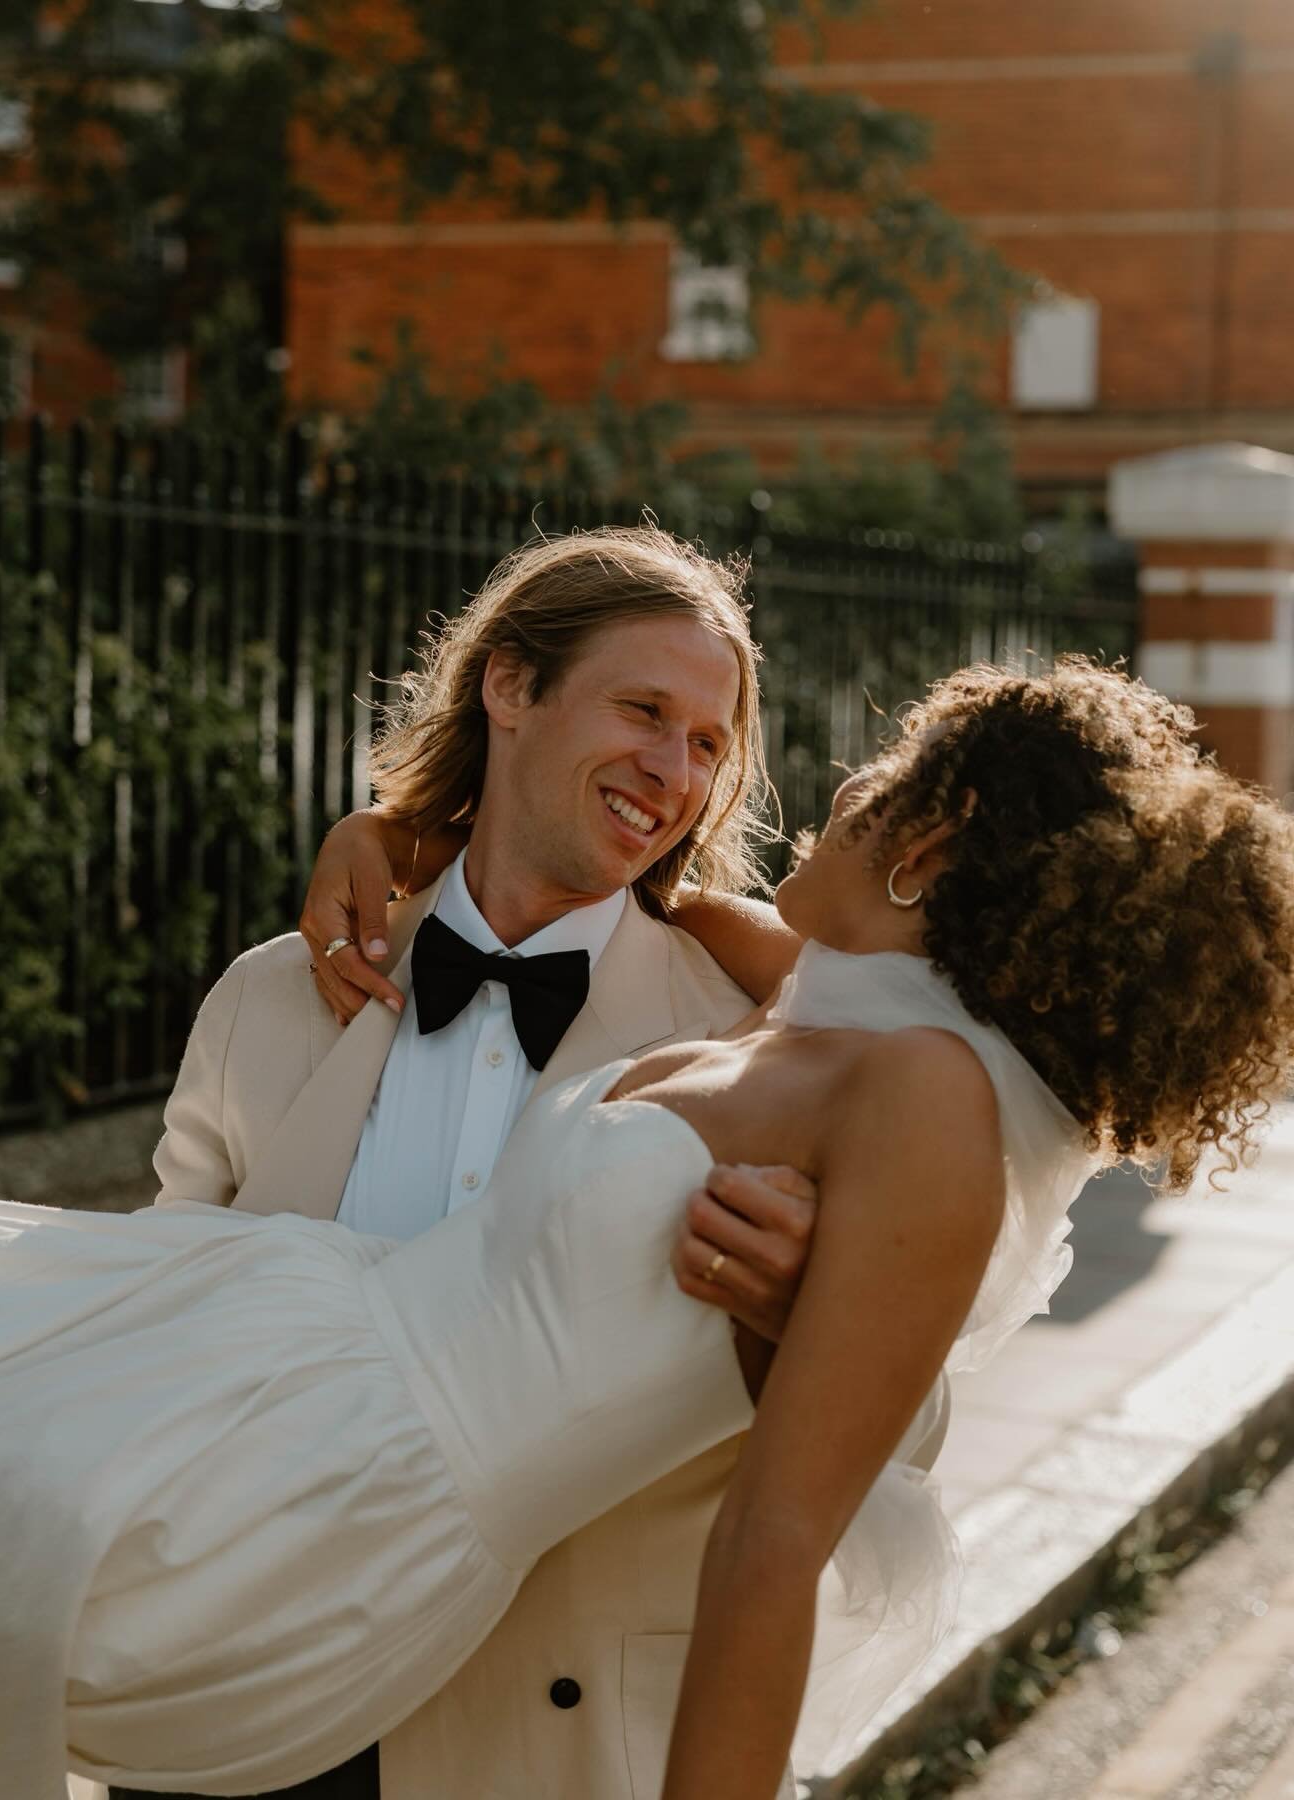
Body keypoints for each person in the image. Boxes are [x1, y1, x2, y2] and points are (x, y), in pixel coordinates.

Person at [0, 658, 1294, 1800]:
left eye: (889, 770)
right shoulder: (830, 1004)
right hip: (280, 1357)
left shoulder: (927, 1104)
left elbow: (780, 1537)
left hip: (350, 1513)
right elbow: (627, 874)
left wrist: (798, 1319)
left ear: (929, 838)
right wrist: (399, 828)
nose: (841, 780)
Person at [128, 527, 858, 1800]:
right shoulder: (272, 999)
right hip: (248, 1717)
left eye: (706, 742)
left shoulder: (749, 1044)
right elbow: (153, 1334)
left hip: (552, 1742)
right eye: (643, 709)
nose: (673, 770)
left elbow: (909, 1405)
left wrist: (809, 1308)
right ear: (509, 687)